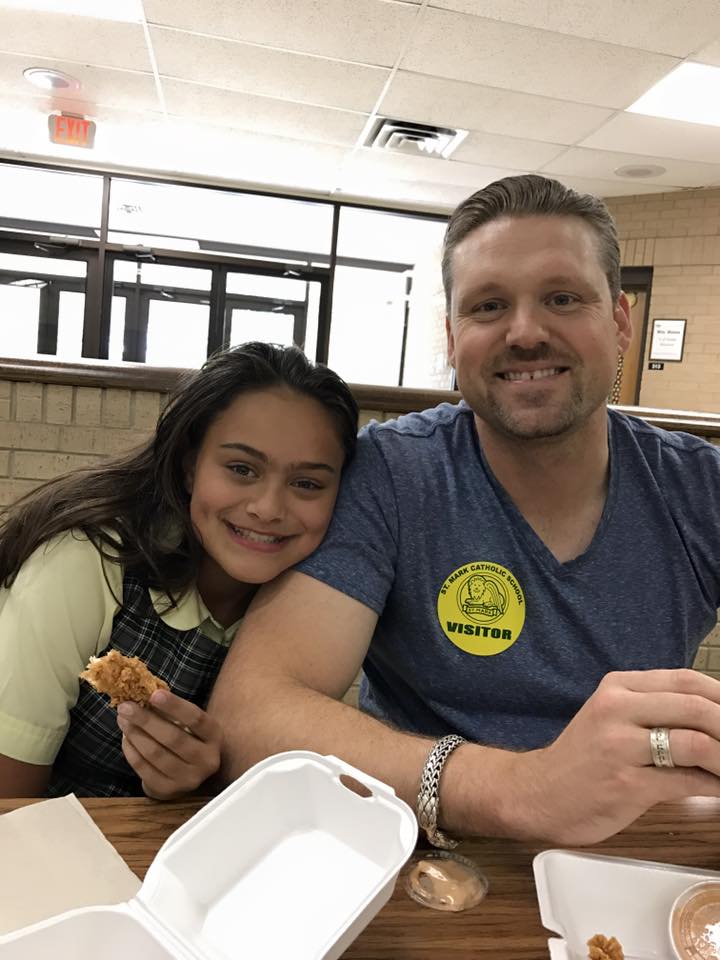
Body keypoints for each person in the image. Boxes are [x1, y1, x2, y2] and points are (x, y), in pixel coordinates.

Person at [208, 174, 720, 847]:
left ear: (620, 321)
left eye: (563, 298)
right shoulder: (392, 473)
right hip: (421, 855)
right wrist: (521, 790)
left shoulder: (699, 488)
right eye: (488, 306)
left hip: (634, 859)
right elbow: (250, 714)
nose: (526, 332)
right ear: (452, 338)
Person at [0, 342, 358, 799]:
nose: (268, 508)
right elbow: (10, 804)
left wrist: (199, 787)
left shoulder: (324, 605)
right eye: (241, 469)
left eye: (307, 483)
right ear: (191, 466)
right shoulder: (86, 560)